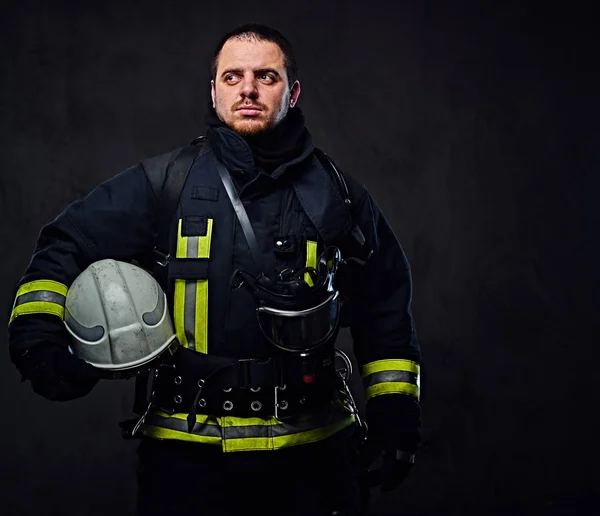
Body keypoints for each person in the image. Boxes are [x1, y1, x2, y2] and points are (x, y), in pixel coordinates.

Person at [7, 23, 422, 516]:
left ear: (292, 92)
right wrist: (39, 338)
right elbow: (65, 241)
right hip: (188, 463)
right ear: (214, 90)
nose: (247, 89)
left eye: (265, 76)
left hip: (315, 460)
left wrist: (395, 410)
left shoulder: (341, 195)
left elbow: (385, 302)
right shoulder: (165, 184)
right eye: (232, 77)